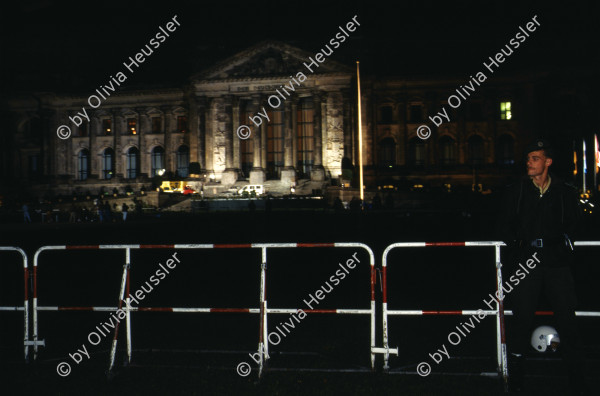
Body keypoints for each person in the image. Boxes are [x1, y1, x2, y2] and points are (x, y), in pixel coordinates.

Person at [497, 139, 586, 394]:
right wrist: (518, 247)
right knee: (522, 320)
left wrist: (564, 246)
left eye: (534, 158)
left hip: (557, 263)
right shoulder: (517, 191)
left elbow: (575, 223)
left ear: (548, 162)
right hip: (526, 263)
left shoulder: (564, 191)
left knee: (567, 320)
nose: (529, 163)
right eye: (527, 159)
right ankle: (516, 380)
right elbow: (503, 224)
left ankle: (577, 379)